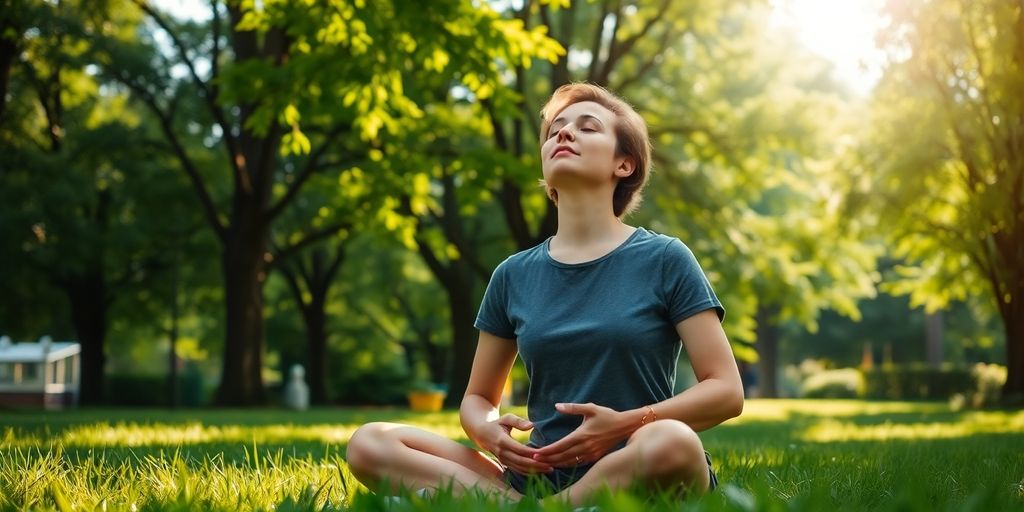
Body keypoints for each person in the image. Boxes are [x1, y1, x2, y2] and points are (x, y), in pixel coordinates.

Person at [345, 83, 744, 507]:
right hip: (535, 476)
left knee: (674, 441)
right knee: (371, 443)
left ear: (624, 164)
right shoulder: (513, 275)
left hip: (640, 463)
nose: (563, 135)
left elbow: (726, 390)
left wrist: (622, 426)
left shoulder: (665, 258)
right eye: (555, 130)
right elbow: (479, 398)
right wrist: (487, 431)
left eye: (587, 128)